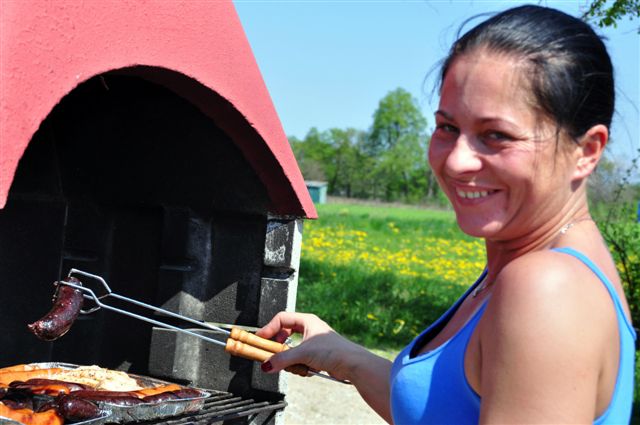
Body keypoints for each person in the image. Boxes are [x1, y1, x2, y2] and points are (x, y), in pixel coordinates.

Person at [257, 5, 637, 424]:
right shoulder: (534, 262)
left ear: (586, 151)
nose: (456, 162)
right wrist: (345, 356)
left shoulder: (547, 288)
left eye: (496, 135)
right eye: (448, 127)